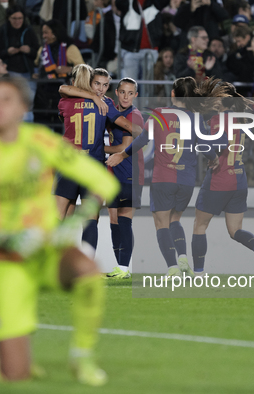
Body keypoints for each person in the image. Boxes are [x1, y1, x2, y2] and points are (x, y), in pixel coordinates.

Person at [0, 75, 119, 386]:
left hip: (45, 252)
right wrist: (7, 238)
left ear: (22, 108)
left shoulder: (40, 141)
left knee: (87, 271)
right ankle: (12, 361)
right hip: (7, 262)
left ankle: (82, 357)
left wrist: (72, 222)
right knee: (15, 377)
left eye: (5, 99)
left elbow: (104, 181)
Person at [106, 77, 225, 277]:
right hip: (186, 180)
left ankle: (172, 268)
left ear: (173, 94)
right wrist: (214, 159)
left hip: (163, 178)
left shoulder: (159, 114)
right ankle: (183, 255)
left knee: (161, 223)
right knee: (175, 220)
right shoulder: (196, 118)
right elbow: (206, 146)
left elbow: (142, 140)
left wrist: (121, 154)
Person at [56, 65, 142, 255]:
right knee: (90, 220)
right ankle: (86, 268)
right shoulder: (106, 104)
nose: (101, 89)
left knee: (58, 217)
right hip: (93, 167)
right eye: (97, 84)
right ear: (89, 82)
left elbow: (63, 89)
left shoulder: (66, 102)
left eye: (105, 85)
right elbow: (129, 127)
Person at [192, 82, 254, 277]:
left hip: (219, 177)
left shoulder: (217, 121)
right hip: (239, 179)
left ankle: (199, 273)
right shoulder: (240, 120)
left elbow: (213, 146)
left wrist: (203, 147)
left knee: (199, 225)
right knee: (235, 230)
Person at [104, 78, 144, 279]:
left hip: (131, 173)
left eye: (130, 93)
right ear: (117, 93)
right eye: (123, 92)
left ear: (135, 95)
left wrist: (98, 149)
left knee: (124, 219)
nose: (126, 96)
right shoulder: (114, 112)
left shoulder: (134, 115)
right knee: (113, 218)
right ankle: (119, 266)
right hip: (114, 174)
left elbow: (122, 148)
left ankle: (125, 267)